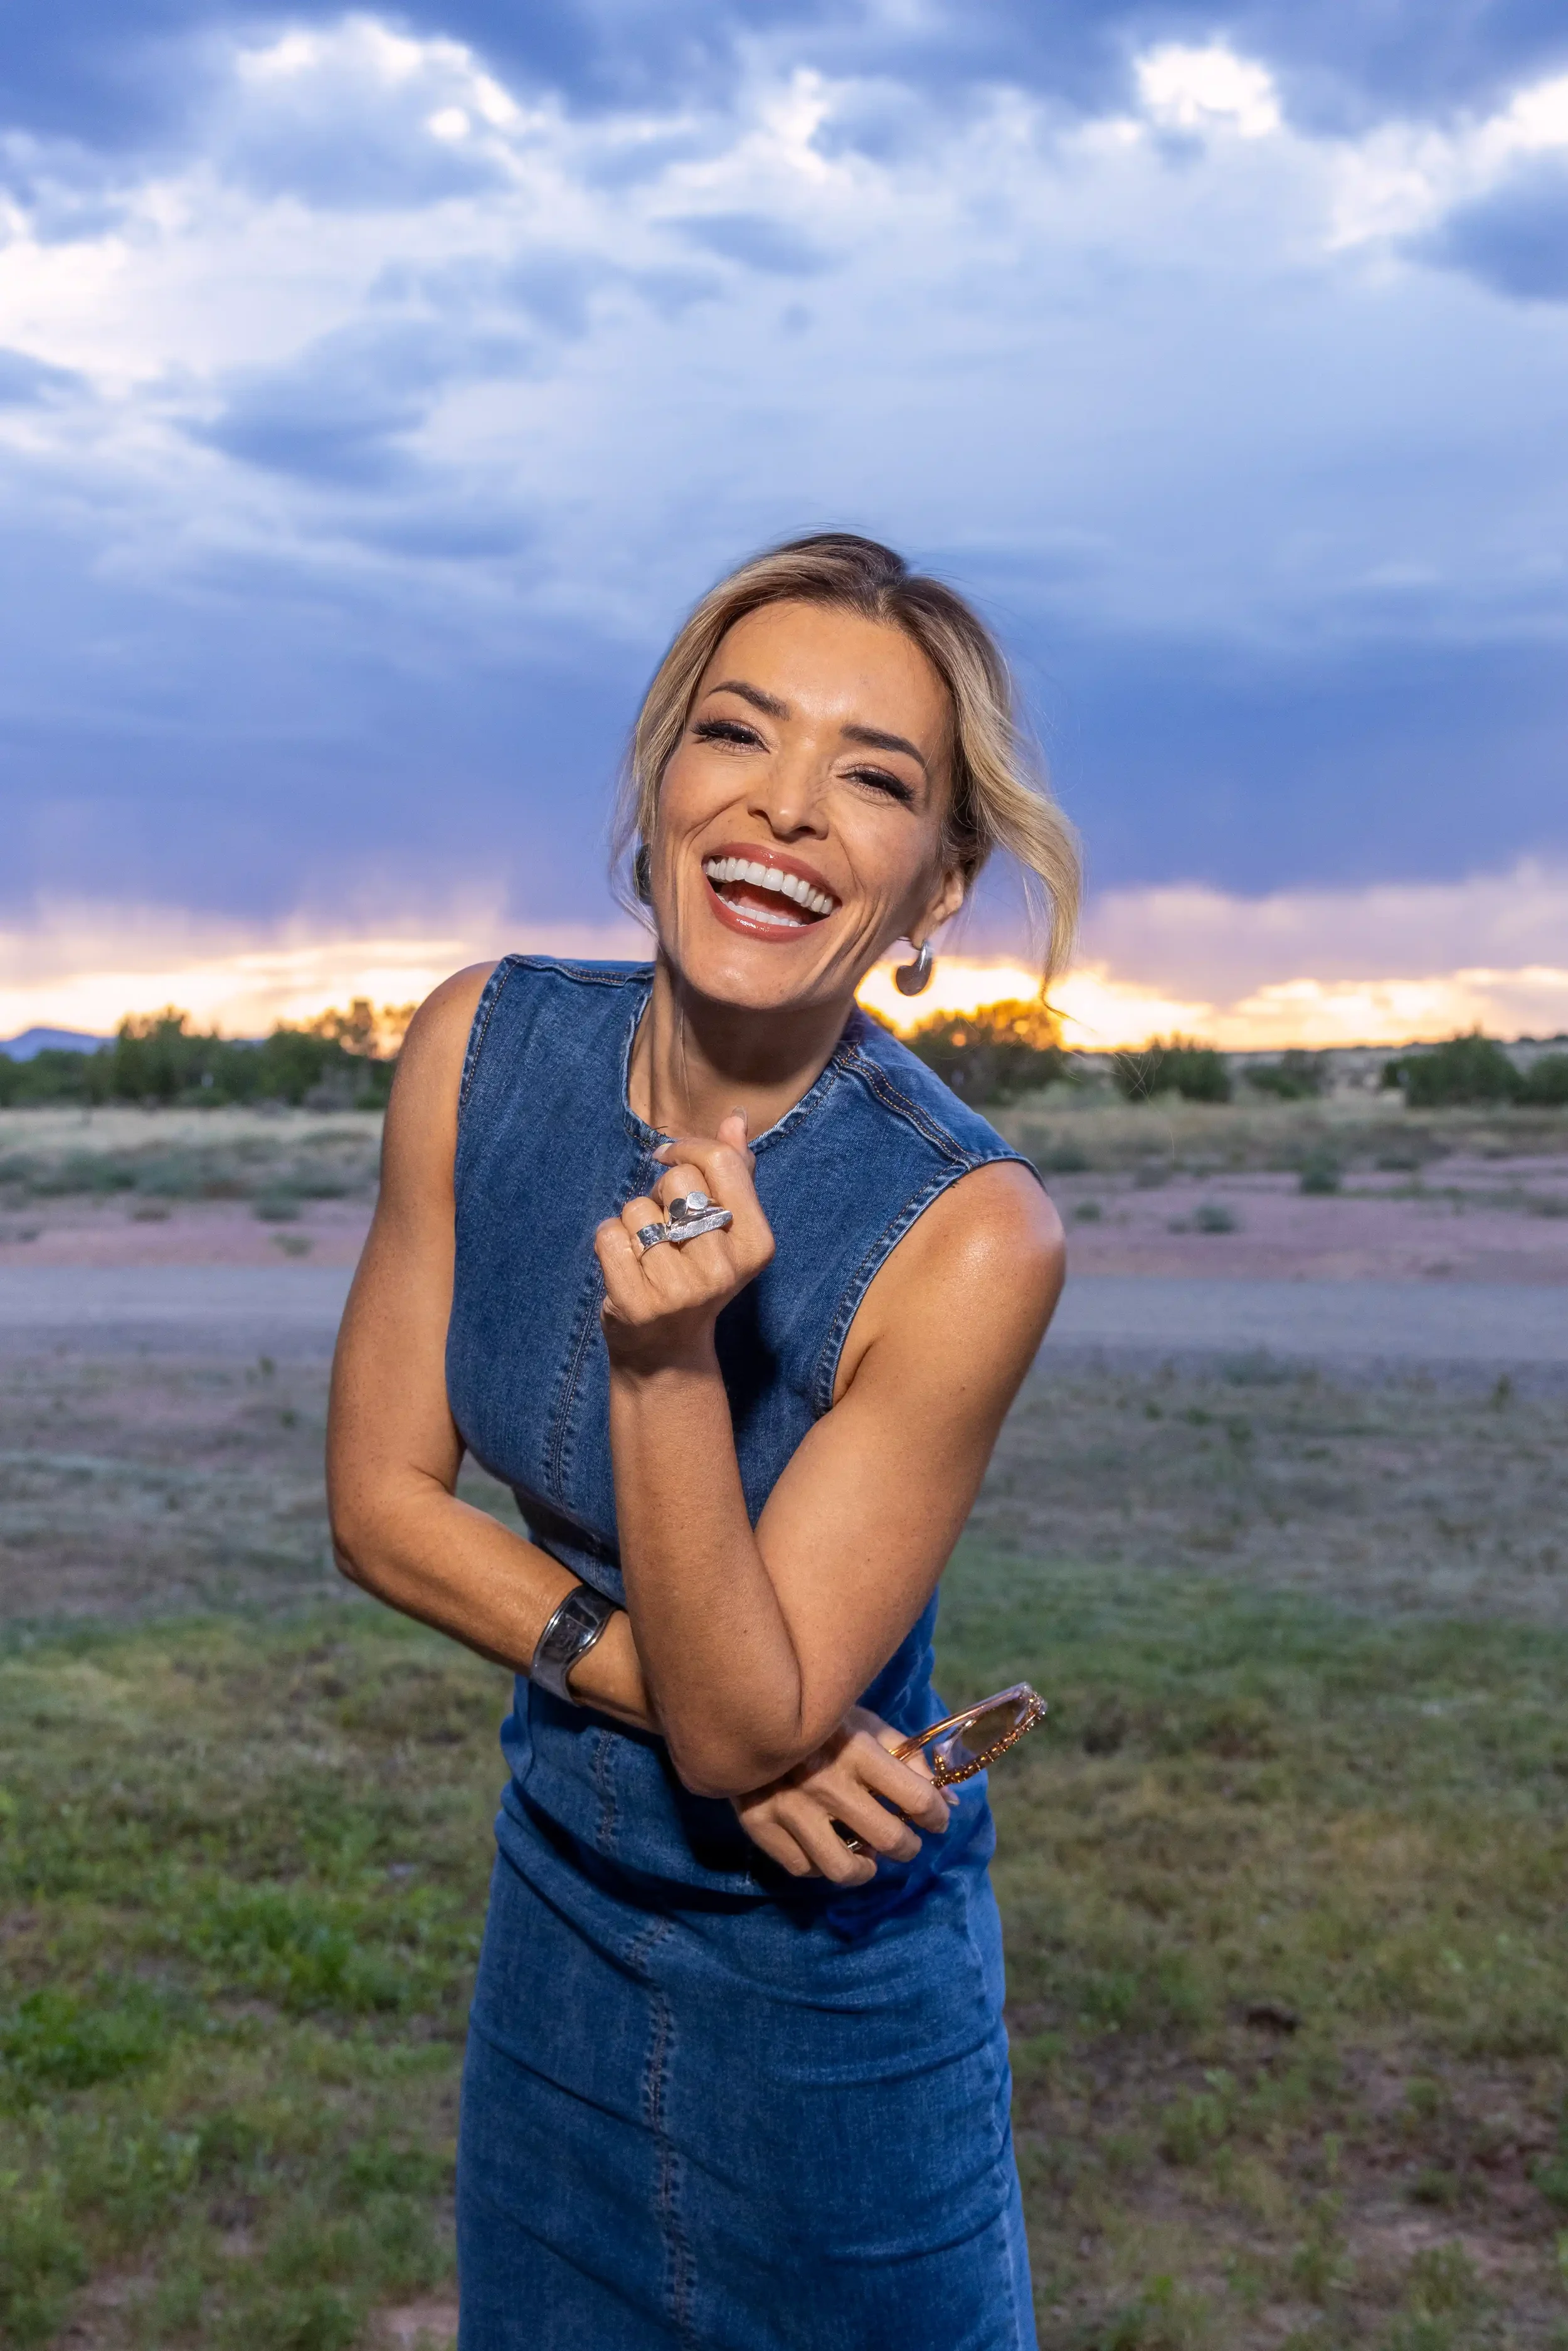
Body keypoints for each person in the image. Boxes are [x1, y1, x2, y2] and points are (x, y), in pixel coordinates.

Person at [327, 533, 1079, 2350]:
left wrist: (664, 1361)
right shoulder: (473, 1049)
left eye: (875, 778)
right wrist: (618, 1658)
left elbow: (756, 1732)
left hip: (830, 1992)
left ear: (934, 886)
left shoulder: (970, 1229)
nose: (789, 807)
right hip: (559, 1908)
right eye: (737, 734)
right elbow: (374, 1504)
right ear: (664, 782)